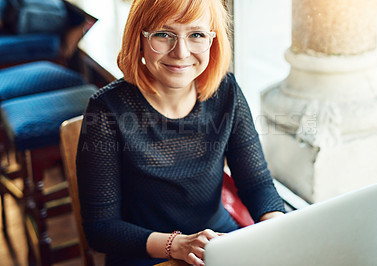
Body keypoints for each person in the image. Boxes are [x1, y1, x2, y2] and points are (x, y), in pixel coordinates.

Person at [76, 0, 286, 265]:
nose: (181, 52)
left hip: (218, 244)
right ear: (139, 38)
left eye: (196, 34)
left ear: (213, 40)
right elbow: (101, 228)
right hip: (145, 254)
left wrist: (278, 227)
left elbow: (256, 184)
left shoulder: (226, 91)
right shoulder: (106, 109)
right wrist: (176, 245)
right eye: (163, 34)